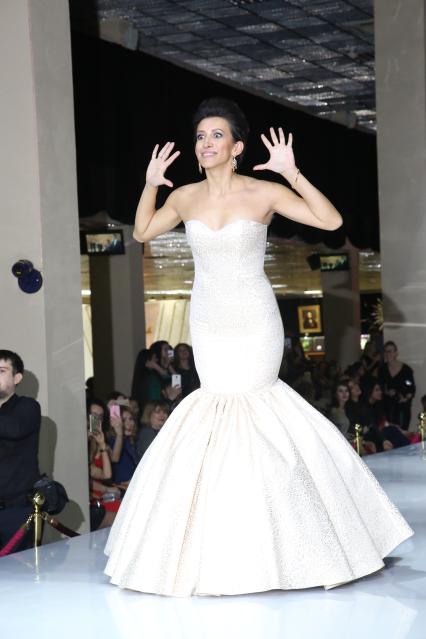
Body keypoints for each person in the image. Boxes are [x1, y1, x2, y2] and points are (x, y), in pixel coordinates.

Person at [105, 97, 412, 596]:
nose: (206, 144)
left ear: (237, 147)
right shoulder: (184, 196)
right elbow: (141, 231)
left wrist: (293, 174)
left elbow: (331, 221)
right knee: (215, 409)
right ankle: (222, 546)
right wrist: (150, 184)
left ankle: (296, 542)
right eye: (200, 136)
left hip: (254, 320)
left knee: (258, 409)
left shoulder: (263, 192)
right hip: (209, 321)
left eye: (217, 136)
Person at [0, 350, 41, 552]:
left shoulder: (28, 407)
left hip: (15, 511)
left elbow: (14, 428)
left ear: (17, 378)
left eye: (1, 371)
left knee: (17, 569)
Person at [379, 341, 416, 430]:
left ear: (396, 353)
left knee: (402, 432)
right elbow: (380, 386)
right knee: (390, 432)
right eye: (386, 351)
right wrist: (387, 392)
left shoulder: (406, 370)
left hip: (402, 407)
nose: (388, 354)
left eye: (390, 351)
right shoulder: (382, 369)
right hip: (388, 407)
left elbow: (411, 387)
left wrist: (405, 398)